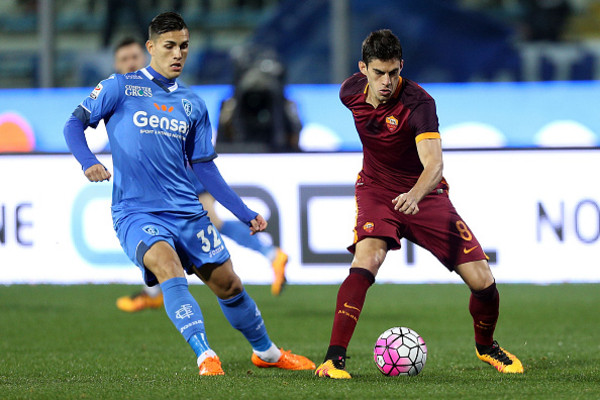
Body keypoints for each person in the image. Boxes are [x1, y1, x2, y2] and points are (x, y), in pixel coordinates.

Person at [64, 11, 314, 375]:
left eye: (183, 46)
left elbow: (205, 167)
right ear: (151, 47)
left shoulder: (193, 104)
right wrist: (87, 161)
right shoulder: (120, 87)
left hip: (187, 211)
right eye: (169, 47)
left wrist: (244, 213)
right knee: (169, 267)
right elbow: (74, 123)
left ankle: (268, 353)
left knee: (229, 285)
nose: (178, 54)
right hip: (137, 213)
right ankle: (205, 354)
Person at [314, 29, 523, 379]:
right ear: (362, 68)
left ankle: (486, 346)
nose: (386, 81)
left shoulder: (418, 104)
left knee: (483, 281)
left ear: (401, 67)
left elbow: (434, 164)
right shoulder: (349, 92)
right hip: (377, 191)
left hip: (425, 196)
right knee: (367, 258)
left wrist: (414, 194)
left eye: (394, 72)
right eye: (379, 73)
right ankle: (333, 360)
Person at [111, 39, 289, 312]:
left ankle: (270, 254)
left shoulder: (159, 87)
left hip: (181, 170)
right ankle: (270, 255)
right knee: (168, 225)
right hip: (159, 176)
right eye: (124, 60)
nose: (130, 63)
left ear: (146, 55)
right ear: (116, 64)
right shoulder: (120, 94)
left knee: (197, 222)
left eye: (134, 57)